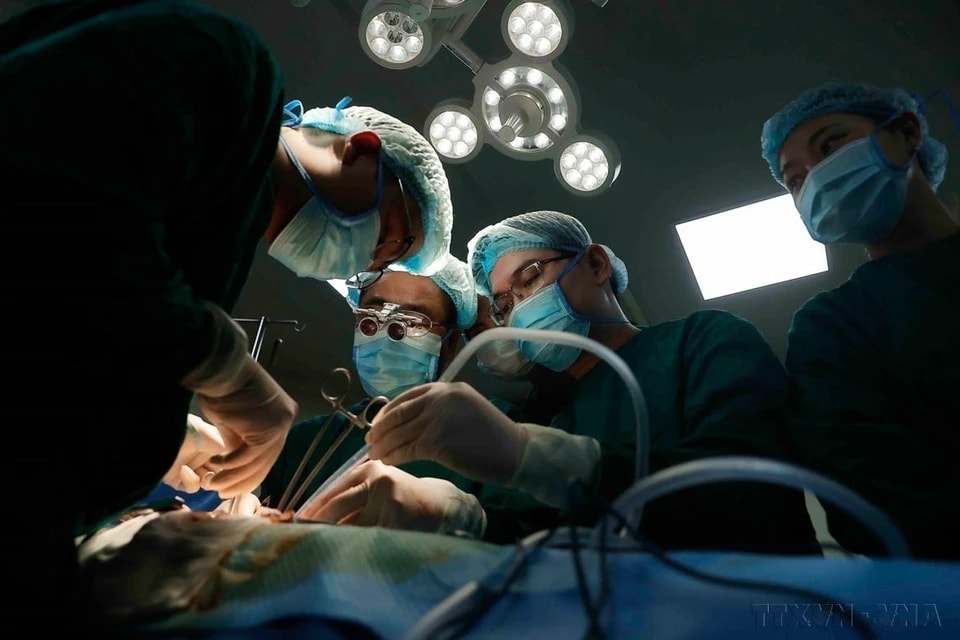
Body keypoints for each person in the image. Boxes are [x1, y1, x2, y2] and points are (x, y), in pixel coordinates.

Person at [0, 0, 453, 615]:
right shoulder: (229, 70)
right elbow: (53, 203)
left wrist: (156, 435)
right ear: (363, 151)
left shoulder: (222, 232)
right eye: (391, 238)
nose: (366, 266)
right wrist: (217, 362)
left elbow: (77, 327)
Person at [318, 211, 819, 552]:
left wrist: (539, 457)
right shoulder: (547, 416)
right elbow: (549, 545)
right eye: (504, 304)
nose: (518, 308)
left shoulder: (703, 341)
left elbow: (755, 496)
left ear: (596, 264)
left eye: (529, 277)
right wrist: (459, 517)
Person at [760, 82, 960, 559]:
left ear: (907, 131)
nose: (817, 177)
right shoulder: (831, 326)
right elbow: (868, 513)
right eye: (795, 179)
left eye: (831, 146)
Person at [261, 254, 487, 536]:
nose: (386, 336)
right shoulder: (305, 441)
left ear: (450, 343)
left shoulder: (492, 437)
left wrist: (460, 516)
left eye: (414, 322)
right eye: (372, 319)